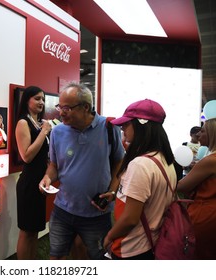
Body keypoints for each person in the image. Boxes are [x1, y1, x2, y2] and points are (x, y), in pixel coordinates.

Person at [39, 82, 125, 260]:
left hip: (96, 213)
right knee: (56, 258)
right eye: (59, 107)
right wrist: (47, 178)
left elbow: (119, 161)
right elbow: (54, 166)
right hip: (62, 209)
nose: (61, 112)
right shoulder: (57, 132)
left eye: (67, 108)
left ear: (86, 107)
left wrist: (112, 189)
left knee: (98, 258)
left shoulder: (109, 127)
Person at [102, 99, 177, 260]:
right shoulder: (164, 159)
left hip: (131, 246)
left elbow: (130, 219)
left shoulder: (140, 164)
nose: (122, 128)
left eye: (127, 124)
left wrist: (109, 236)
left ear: (142, 125)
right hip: (152, 242)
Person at [15, 86, 52, 259]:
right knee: (26, 231)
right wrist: (44, 131)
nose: (41, 102)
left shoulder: (38, 123)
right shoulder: (23, 122)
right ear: (27, 100)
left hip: (40, 183)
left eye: (43, 99)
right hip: (29, 183)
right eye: (37, 98)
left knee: (35, 230)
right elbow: (26, 156)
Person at [177, 118, 216, 259]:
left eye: (203, 131)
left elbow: (182, 186)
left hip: (205, 215)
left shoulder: (210, 161)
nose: (199, 135)